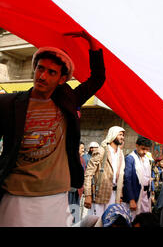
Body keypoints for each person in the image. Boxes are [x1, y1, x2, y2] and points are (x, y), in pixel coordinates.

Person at [0, 31, 105, 227]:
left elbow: (98, 78)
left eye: (51, 72)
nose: (42, 75)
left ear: (62, 79)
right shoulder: (9, 103)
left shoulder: (68, 101)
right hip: (15, 195)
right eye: (40, 68)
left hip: (55, 197)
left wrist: (92, 43)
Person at [83, 126, 126, 218]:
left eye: (123, 135)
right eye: (120, 134)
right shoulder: (102, 150)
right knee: (96, 221)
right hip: (100, 195)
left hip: (114, 195)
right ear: (113, 135)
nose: (122, 137)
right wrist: (88, 195)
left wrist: (120, 195)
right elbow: (89, 173)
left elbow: (120, 176)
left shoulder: (120, 154)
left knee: (110, 222)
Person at [123, 135, 153, 220]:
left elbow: (148, 178)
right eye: (143, 149)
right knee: (134, 219)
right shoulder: (130, 158)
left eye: (147, 149)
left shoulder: (147, 159)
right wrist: (131, 199)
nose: (145, 152)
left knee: (145, 219)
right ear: (137, 145)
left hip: (145, 195)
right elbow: (127, 180)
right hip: (136, 195)